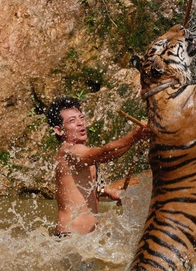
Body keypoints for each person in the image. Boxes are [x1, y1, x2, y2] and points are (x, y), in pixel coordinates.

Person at [46, 97, 149, 236]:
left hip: (84, 240)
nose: (80, 123)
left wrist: (107, 191)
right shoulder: (69, 151)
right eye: (72, 121)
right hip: (70, 238)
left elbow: (83, 186)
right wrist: (133, 137)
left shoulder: (80, 152)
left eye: (81, 118)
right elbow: (104, 153)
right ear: (59, 130)